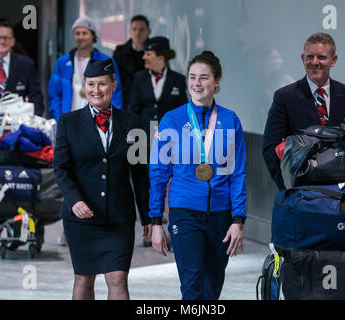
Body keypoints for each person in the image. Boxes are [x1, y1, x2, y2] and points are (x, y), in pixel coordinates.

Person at [149, 51, 246, 300]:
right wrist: (156, 221)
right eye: (192, 77)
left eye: (204, 78)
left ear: (217, 81)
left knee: (212, 288)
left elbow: (237, 173)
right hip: (184, 212)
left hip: (221, 215)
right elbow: (159, 174)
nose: (197, 83)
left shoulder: (230, 120)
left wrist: (238, 220)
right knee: (191, 287)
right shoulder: (172, 120)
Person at [52, 59, 150, 300]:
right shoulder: (68, 123)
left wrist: (149, 217)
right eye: (91, 84)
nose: (96, 90)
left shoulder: (132, 123)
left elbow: (140, 174)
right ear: (84, 86)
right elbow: (61, 168)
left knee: (117, 278)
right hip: (81, 218)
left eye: (102, 84)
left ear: (113, 85)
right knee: (84, 279)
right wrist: (74, 201)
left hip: (119, 217)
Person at [262, 32, 345, 190]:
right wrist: (288, 187)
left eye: (321, 57)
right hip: (303, 192)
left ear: (333, 60)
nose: (314, 62)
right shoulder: (285, 97)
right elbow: (270, 148)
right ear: (302, 59)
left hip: (344, 192)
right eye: (310, 57)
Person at [129, 36, 188, 246]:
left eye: (148, 53)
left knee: (170, 184)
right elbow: (133, 109)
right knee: (143, 183)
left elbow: (183, 112)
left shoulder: (179, 80)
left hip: (170, 140)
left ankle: (173, 229)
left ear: (160, 56)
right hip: (142, 139)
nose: (144, 57)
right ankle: (147, 226)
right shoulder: (139, 78)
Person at [48, 16, 123, 122]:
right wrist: (59, 118)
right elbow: (54, 94)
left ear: (93, 35)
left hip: (98, 121)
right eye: (77, 33)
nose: (80, 37)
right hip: (70, 120)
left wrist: (109, 120)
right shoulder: (63, 62)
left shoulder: (105, 62)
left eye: (84, 33)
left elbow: (115, 93)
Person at [113, 15, 151, 111]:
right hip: (126, 105)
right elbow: (112, 78)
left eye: (141, 30)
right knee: (129, 126)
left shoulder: (156, 53)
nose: (137, 33)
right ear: (130, 31)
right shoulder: (119, 52)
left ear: (148, 32)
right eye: (134, 29)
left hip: (150, 108)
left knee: (152, 126)